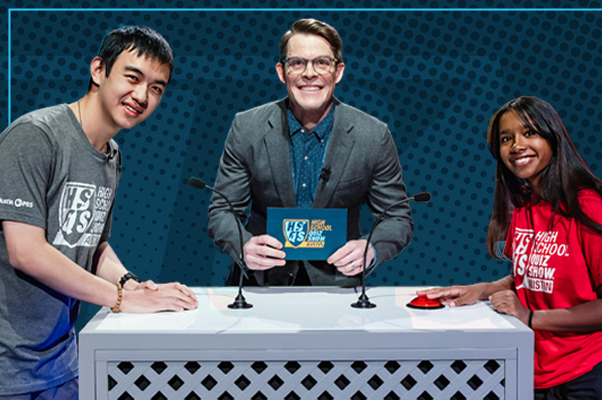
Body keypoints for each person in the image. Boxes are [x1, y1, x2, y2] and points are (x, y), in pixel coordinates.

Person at [0, 26, 199, 399]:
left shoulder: (111, 155)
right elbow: (25, 251)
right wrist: (122, 299)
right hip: (9, 370)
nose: (142, 96)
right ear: (98, 70)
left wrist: (130, 283)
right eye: (133, 77)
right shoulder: (35, 135)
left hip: (61, 363)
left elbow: (93, 244)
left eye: (156, 88)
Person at [419, 96, 602, 399]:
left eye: (529, 133)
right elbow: (532, 276)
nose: (517, 145)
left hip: (599, 371)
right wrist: (482, 290)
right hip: (544, 372)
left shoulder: (592, 205)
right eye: (506, 138)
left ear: (553, 138)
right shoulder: (526, 206)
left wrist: (530, 317)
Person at [207, 18, 413, 287]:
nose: (309, 73)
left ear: (338, 72)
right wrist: (244, 246)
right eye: (297, 63)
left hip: (338, 285)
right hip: (261, 283)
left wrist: (371, 248)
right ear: (282, 72)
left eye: (322, 63)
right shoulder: (247, 128)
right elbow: (222, 211)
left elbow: (397, 217)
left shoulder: (373, 135)